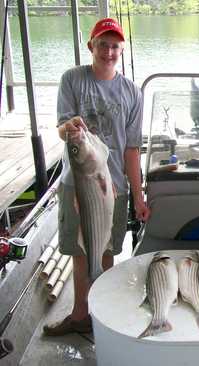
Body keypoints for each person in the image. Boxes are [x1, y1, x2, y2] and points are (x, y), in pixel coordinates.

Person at [43, 18, 150, 336]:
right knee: (79, 251)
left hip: (113, 186)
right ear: (91, 46)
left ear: (121, 49)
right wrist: (70, 128)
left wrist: (139, 196)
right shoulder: (72, 79)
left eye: (115, 45)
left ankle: (103, 317)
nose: (109, 51)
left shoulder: (132, 92)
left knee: (107, 253)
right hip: (76, 184)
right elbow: (63, 129)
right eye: (103, 44)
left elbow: (132, 150)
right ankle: (80, 315)